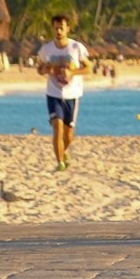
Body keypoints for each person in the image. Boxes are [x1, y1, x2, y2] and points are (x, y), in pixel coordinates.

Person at [36, 13, 90, 170]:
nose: (58, 31)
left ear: (68, 29)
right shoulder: (46, 49)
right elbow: (39, 69)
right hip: (53, 94)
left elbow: (88, 68)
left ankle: (63, 151)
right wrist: (44, 69)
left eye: (61, 28)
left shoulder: (76, 48)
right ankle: (59, 162)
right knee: (57, 127)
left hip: (72, 95)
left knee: (68, 136)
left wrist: (72, 73)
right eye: (56, 28)